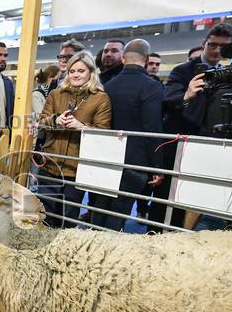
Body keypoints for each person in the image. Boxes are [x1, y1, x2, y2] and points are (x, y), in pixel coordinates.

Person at [148, 23, 232, 231]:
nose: (217, 50)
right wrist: (187, 95)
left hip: (207, 146)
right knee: (165, 198)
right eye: (213, 45)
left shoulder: (228, 73)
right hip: (178, 144)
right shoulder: (183, 70)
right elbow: (168, 101)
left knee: (194, 200)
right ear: (204, 43)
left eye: (223, 46)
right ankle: (154, 236)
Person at [90, 39, 164, 231]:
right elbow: (152, 127)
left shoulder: (108, 86)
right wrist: (157, 166)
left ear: (123, 59)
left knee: (100, 206)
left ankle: (91, 244)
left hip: (107, 156)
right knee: (119, 211)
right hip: (135, 160)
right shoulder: (152, 86)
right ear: (146, 59)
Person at [37, 52, 112, 227]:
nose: (76, 75)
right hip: (50, 165)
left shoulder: (101, 98)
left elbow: (104, 132)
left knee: (68, 218)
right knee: (45, 215)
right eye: (72, 71)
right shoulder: (56, 94)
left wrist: (81, 126)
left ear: (90, 73)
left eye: (81, 71)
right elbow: (41, 122)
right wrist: (55, 120)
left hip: (77, 169)